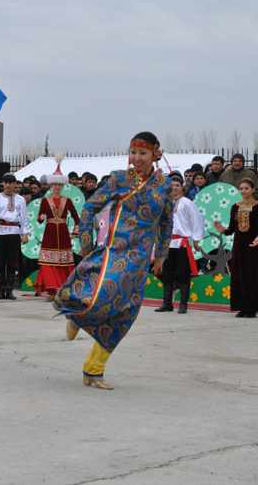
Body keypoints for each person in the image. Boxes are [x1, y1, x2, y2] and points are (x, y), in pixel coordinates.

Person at [53, 132, 174, 390]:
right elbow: (89, 207)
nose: (137, 158)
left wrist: (162, 254)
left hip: (141, 259)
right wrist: (86, 243)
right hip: (116, 252)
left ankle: (94, 369)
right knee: (104, 298)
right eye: (133, 152)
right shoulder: (119, 178)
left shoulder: (164, 185)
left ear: (155, 154)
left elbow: (166, 222)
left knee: (126, 313)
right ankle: (78, 315)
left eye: (143, 153)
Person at [155, 176, 204, 314]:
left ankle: (183, 304)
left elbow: (197, 220)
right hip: (167, 243)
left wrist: (195, 239)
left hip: (182, 242)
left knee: (183, 274)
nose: (174, 188)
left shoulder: (187, 203)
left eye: (177, 185)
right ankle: (167, 303)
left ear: (182, 187)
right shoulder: (163, 203)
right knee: (167, 273)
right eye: (172, 185)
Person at [34, 155, 79, 300]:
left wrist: (75, 231)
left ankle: (63, 289)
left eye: (59, 185)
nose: (57, 187)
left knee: (64, 262)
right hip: (50, 234)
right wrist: (40, 218)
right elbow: (40, 216)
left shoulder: (68, 200)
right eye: (54, 184)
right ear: (51, 185)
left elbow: (76, 218)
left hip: (64, 234)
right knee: (48, 262)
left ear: (63, 186)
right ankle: (51, 290)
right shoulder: (45, 200)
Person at [214, 178, 258, 318]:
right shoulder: (235, 206)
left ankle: (251, 308)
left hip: (254, 246)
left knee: (252, 276)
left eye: (246, 188)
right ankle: (242, 308)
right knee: (239, 275)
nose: (243, 191)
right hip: (239, 247)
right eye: (241, 189)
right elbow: (232, 229)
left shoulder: (257, 206)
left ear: (253, 190)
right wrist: (222, 230)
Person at [0, 173, 29, 300]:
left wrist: (25, 234)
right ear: (2, 183)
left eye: (10, 183)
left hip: (14, 232)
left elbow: (24, 217)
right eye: (5, 182)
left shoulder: (20, 199)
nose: (8, 185)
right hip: (0, 232)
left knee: (12, 263)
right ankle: (1, 290)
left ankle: (10, 290)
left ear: (14, 184)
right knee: (1, 263)